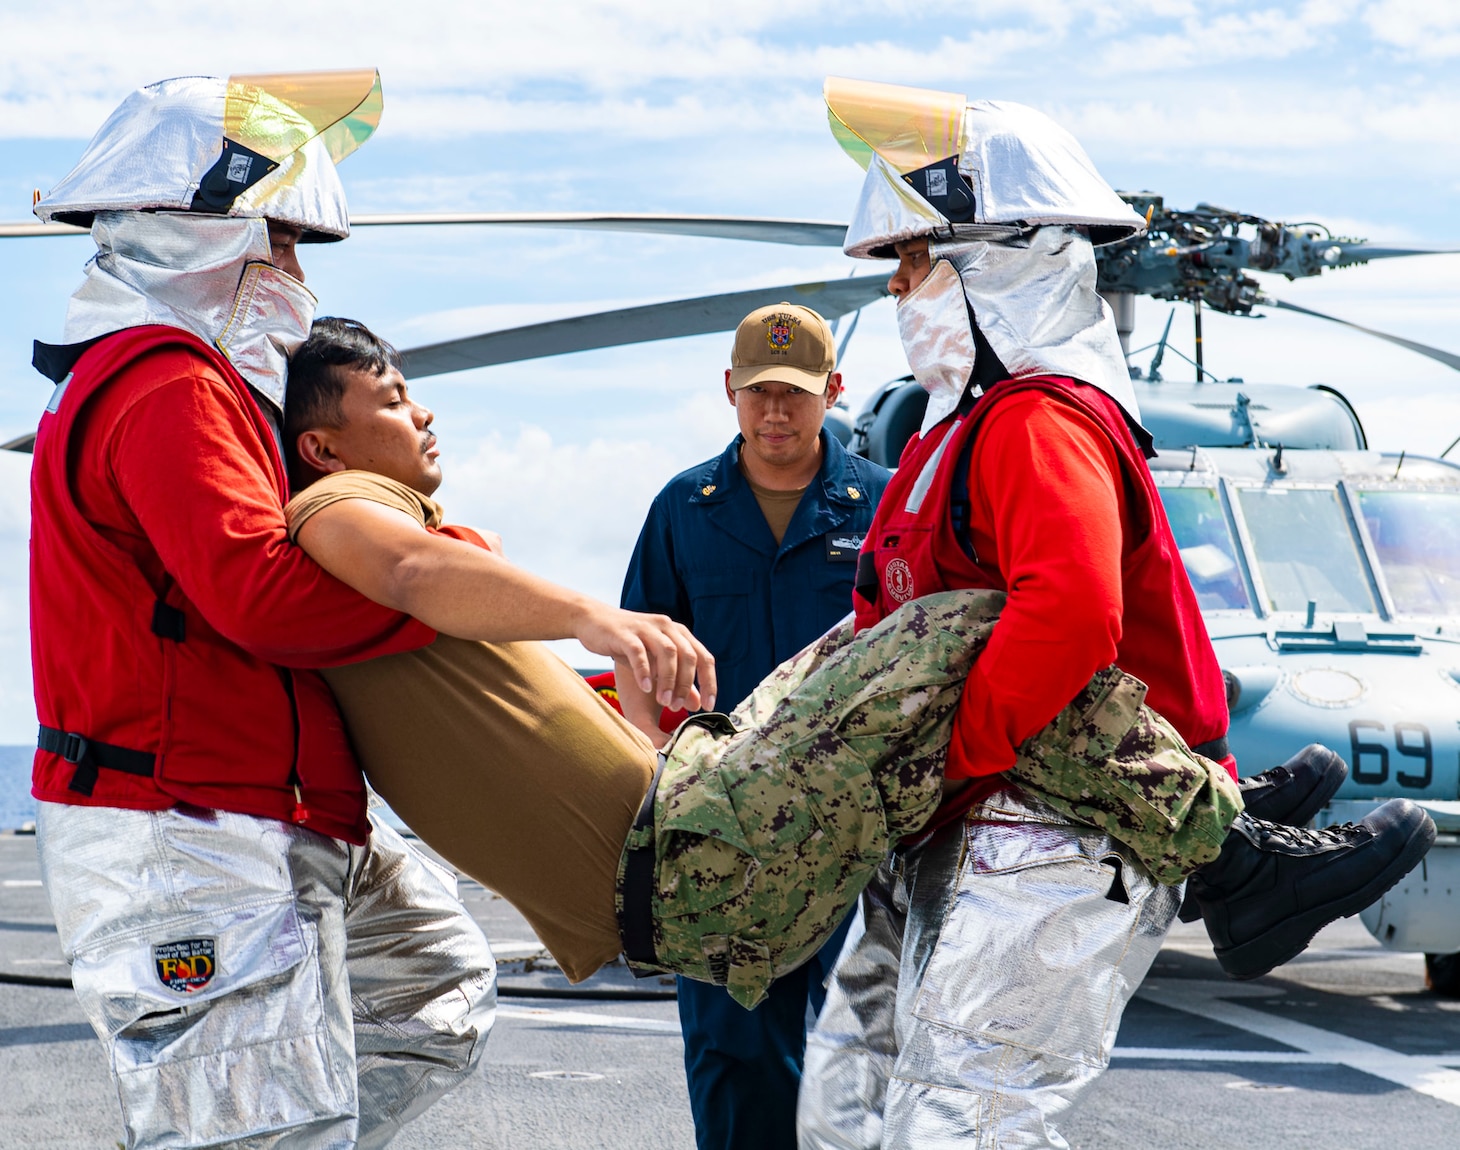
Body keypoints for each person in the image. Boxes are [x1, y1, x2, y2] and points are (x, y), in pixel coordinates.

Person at [797, 77, 1435, 1149]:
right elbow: (884, 622)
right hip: (947, 831)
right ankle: (1234, 830)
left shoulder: (1035, 426)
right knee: (849, 1105)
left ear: (987, 263)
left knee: (963, 1121)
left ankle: (1230, 833)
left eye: (912, 261)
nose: (896, 289)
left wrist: (947, 755)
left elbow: (1071, 615)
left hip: (1042, 831)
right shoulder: (937, 443)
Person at [275, 317, 1226, 1015]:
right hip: (685, 849)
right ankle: (1230, 848)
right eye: (393, 401)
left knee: (938, 661)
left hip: (694, 813)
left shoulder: (400, 551)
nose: (423, 410)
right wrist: (597, 620)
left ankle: (1227, 836)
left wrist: (633, 720)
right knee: (963, 628)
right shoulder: (340, 511)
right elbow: (410, 570)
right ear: (323, 447)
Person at [26, 72, 510, 1150]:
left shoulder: (210, 387)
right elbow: (260, 596)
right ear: (199, 233)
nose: (292, 276)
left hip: (276, 809)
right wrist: (441, 577)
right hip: (183, 824)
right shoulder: (165, 384)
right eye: (277, 243)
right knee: (260, 1125)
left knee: (436, 992)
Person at [619, 303, 890, 1150]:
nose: (777, 412)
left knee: (863, 1043)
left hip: (854, 825)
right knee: (736, 1052)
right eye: (761, 392)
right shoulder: (684, 508)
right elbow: (635, 644)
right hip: (724, 831)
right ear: (730, 391)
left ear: (833, 391)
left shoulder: (882, 505)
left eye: (797, 394)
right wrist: (645, 771)